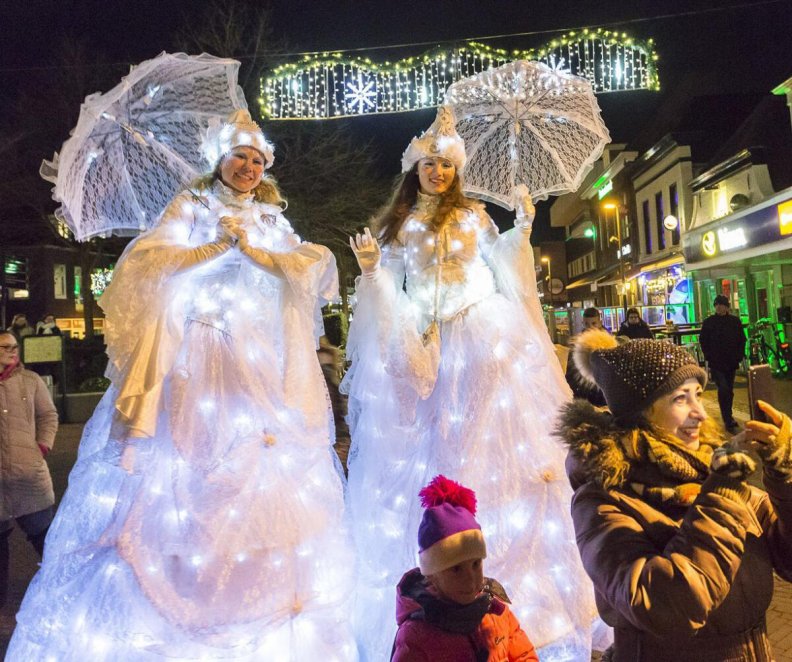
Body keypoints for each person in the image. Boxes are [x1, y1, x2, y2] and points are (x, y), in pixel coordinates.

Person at [8, 110, 358, 659]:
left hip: (259, 359)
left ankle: (251, 601)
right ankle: (175, 592)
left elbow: (310, 268)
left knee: (262, 475)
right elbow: (146, 263)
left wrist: (264, 257)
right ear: (220, 159)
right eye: (239, 156)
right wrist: (207, 250)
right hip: (200, 352)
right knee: (189, 468)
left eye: (257, 159)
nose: (247, 166)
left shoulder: (272, 218)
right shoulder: (192, 206)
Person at [343, 106, 596, 660]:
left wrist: (523, 230)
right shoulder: (401, 224)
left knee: (498, 442)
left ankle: (522, 593)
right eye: (429, 164)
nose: (438, 173)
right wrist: (370, 271)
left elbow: (503, 261)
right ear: (416, 169)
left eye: (446, 166)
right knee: (439, 446)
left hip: (484, 335)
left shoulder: (476, 217)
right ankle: (448, 568)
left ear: (457, 172)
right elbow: (389, 284)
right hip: (429, 343)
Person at [557, 329, 792, 661]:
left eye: (698, 394)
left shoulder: (711, 470)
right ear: (642, 412)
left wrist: (784, 475)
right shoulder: (602, 500)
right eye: (681, 398)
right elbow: (668, 607)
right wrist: (722, 491)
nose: (700, 412)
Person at [392, 475, 539, 661]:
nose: (470, 580)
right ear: (432, 576)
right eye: (456, 569)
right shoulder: (416, 636)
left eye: (476, 564)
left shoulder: (496, 613)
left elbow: (524, 655)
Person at [0, 331, 58, 607]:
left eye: (15, 346)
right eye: (5, 347)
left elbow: (48, 415)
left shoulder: (30, 381)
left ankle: (61, 590)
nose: (13, 350)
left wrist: (42, 446)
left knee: (45, 537)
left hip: (28, 477)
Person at [699, 294, 746, 432]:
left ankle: (728, 415)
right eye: (717, 305)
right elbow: (703, 340)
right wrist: (708, 355)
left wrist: (739, 355)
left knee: (729, 390)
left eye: (722, 305)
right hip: (716, 362)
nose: (719, 307)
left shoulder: (734, 322)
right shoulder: (709, 322)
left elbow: (741, 339)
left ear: (727, 307)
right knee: (723, 388)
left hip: (730, 361)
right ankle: (727, 418)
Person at [565, 307, 608, 406]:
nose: (590, 328)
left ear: (600, 323)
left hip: (602, 395)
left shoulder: (607, 342)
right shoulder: (577, 343)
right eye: (587, 324)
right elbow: (571, 370)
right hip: (582, 393)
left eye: (594, 323)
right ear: (583, 324)